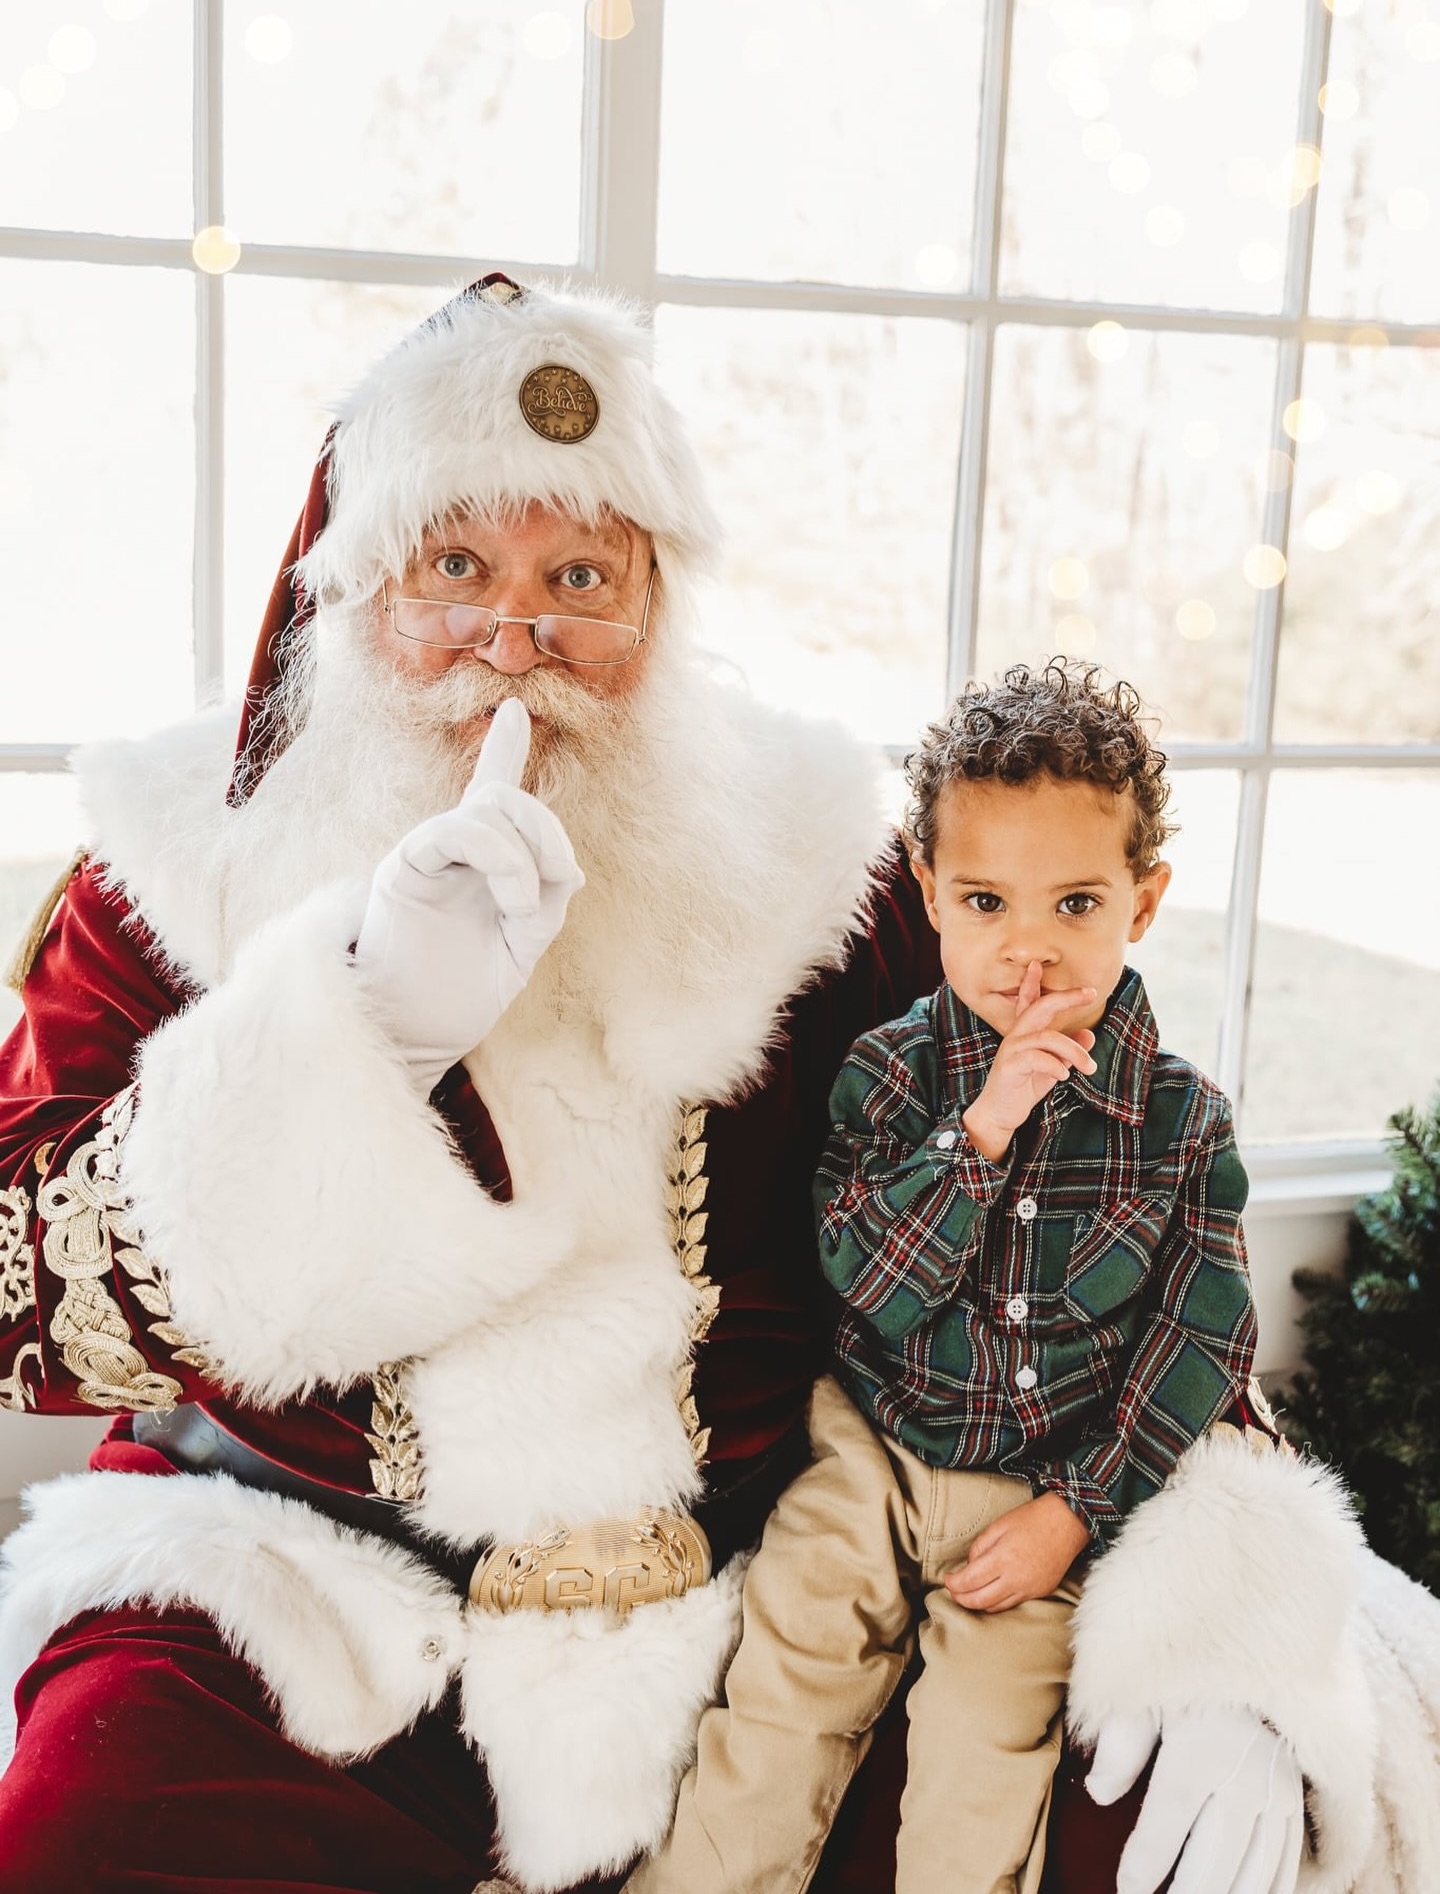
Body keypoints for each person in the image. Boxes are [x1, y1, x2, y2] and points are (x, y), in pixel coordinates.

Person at [0, 274, 1434, 1894]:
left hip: (766, 1585)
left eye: (581, 579)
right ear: (353, 591)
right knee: (89, 1838)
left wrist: (1213, 1619)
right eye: (455, 566)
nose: (516, 641)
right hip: (298, 1587)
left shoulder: (833, 865)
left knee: (1113, 1825)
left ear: (661, 602)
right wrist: (351, 1030)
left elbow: (1094, 1212)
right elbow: (20, 1297)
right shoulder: (173, 864)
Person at [625, 665, 1260, 1894]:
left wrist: (1076, 1511)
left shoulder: (1180, 1124)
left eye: (1076, 903)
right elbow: (867, 1283)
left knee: (985, 1760)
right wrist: (982, 1129)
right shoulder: (889, 1074)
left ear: (1146, 900)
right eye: (985, 900)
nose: (1028, 950)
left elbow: (1203, 1333)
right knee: (783, 1692)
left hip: (1041, 1482)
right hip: (872, 1448)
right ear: (927, 896)